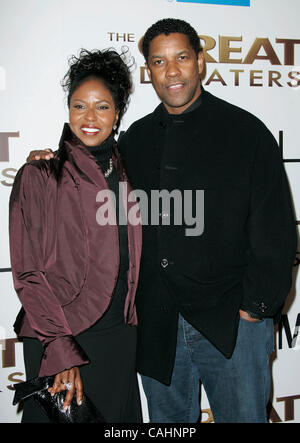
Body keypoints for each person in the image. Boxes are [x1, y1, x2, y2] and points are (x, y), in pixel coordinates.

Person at [26, 18, 297, 423]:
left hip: (231, 325)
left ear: (200, 62)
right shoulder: (133, 140)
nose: (171, 72)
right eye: (159, 62)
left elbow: (275, 230)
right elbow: (89, 171)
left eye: (181, 58)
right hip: (159, 328)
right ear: (148, 71)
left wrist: (255, 309)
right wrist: (50, 162)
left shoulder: (246, 133)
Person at [9, 48, 142, 423]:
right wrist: (61, 351)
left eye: (102, 107)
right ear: (67, 109)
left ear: (117, 115)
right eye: (79, 106)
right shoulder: (39, 176)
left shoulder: (130, 174)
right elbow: (29, 274)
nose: (89, 117)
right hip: (61, 336)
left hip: (118, 337)